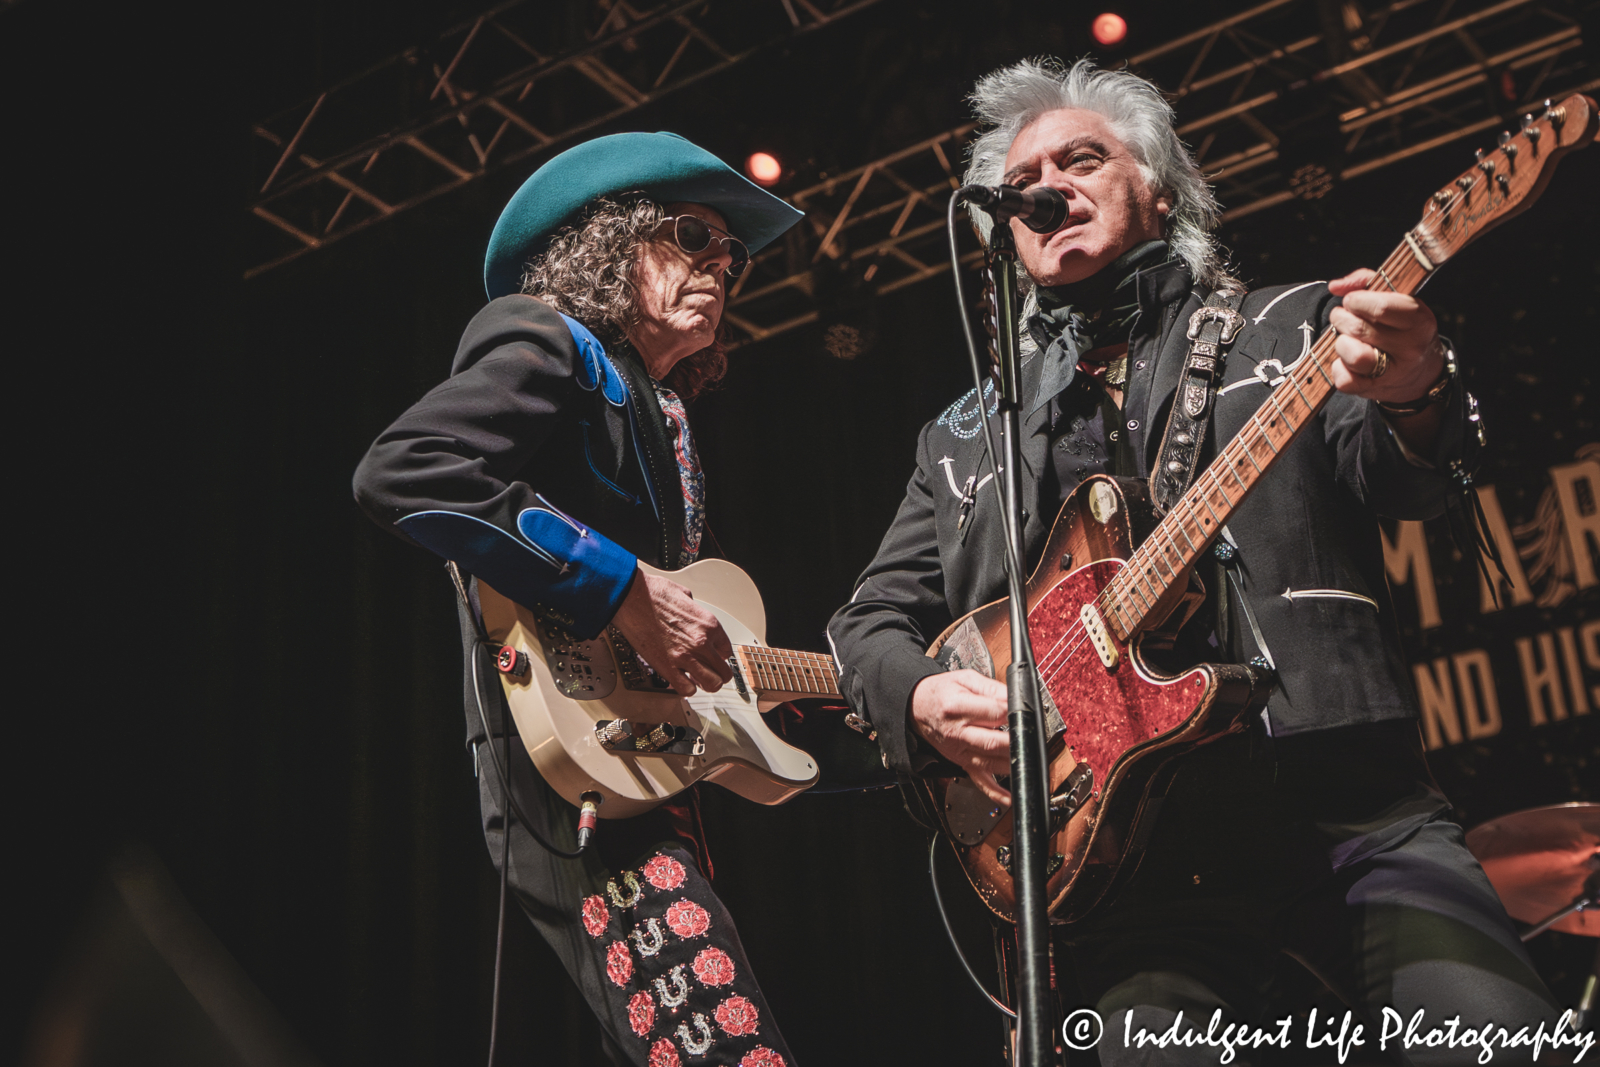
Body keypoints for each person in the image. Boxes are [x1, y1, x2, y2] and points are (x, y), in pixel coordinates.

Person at [827, 59, 1565, 1063]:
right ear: (1002, 227)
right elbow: (865, 625)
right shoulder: (963, 440)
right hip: (1132, 879)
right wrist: (917, 698)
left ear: (1159, 187)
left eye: (1081, 157)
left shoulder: (1288, 328)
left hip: (1347, 812)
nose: (1050, 184)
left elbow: (1406, 479)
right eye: (1026, 176)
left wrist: (1413, 390)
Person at [354, 131, 802, 1067]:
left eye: (731, 255)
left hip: (640, 769)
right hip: (566, 769)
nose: (720, 265)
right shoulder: (549, 341)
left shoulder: (662, 410)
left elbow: (694, 621)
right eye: (691, 236)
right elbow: (405, 468)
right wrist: (622, 586)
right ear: (606, 248)